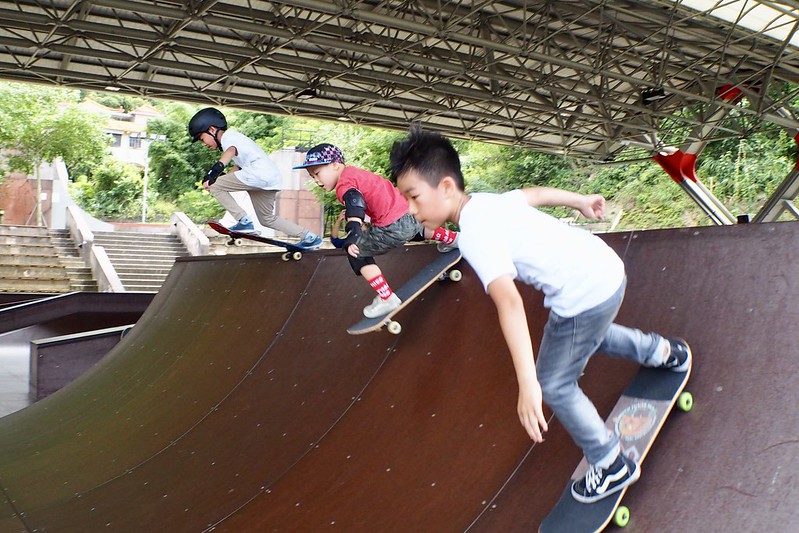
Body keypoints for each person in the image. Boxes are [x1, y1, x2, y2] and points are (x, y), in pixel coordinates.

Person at [389, 127, 691, 504]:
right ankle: (664, 353)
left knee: (555, 381)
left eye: (414, 197)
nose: (411, 210)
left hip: (582, 295)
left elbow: (510, 303)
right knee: (584, 335)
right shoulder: (486, 202)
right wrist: (579, 200)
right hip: (606, 270)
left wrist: (529, 382)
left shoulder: (473, 234)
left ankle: (610, 463)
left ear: (446, 186)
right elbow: (534, 194)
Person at [293, 143, 458, 318]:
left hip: (393, 226)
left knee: (356, 251)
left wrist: (354, 231)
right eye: (312, 177)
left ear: (335, 164)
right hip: (411, 211)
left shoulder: (345, 184)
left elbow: (354, 202)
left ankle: (386, 297)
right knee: (417, 228)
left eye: (317, 174)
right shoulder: (359, 174)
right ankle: (453, 239)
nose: (317, 181)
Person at [188, 107, 322, 249]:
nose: (204, 144)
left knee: (213, 185)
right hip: (270, 179)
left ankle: (243, 221)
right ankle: (309, 237)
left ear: (212, 130)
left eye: (202, 139)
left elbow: (231, 151)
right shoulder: (240, 142)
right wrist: (223, 178)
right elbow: (238, 166)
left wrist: (213, 172)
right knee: (267, 219)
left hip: (257, 175)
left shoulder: (229, 137)